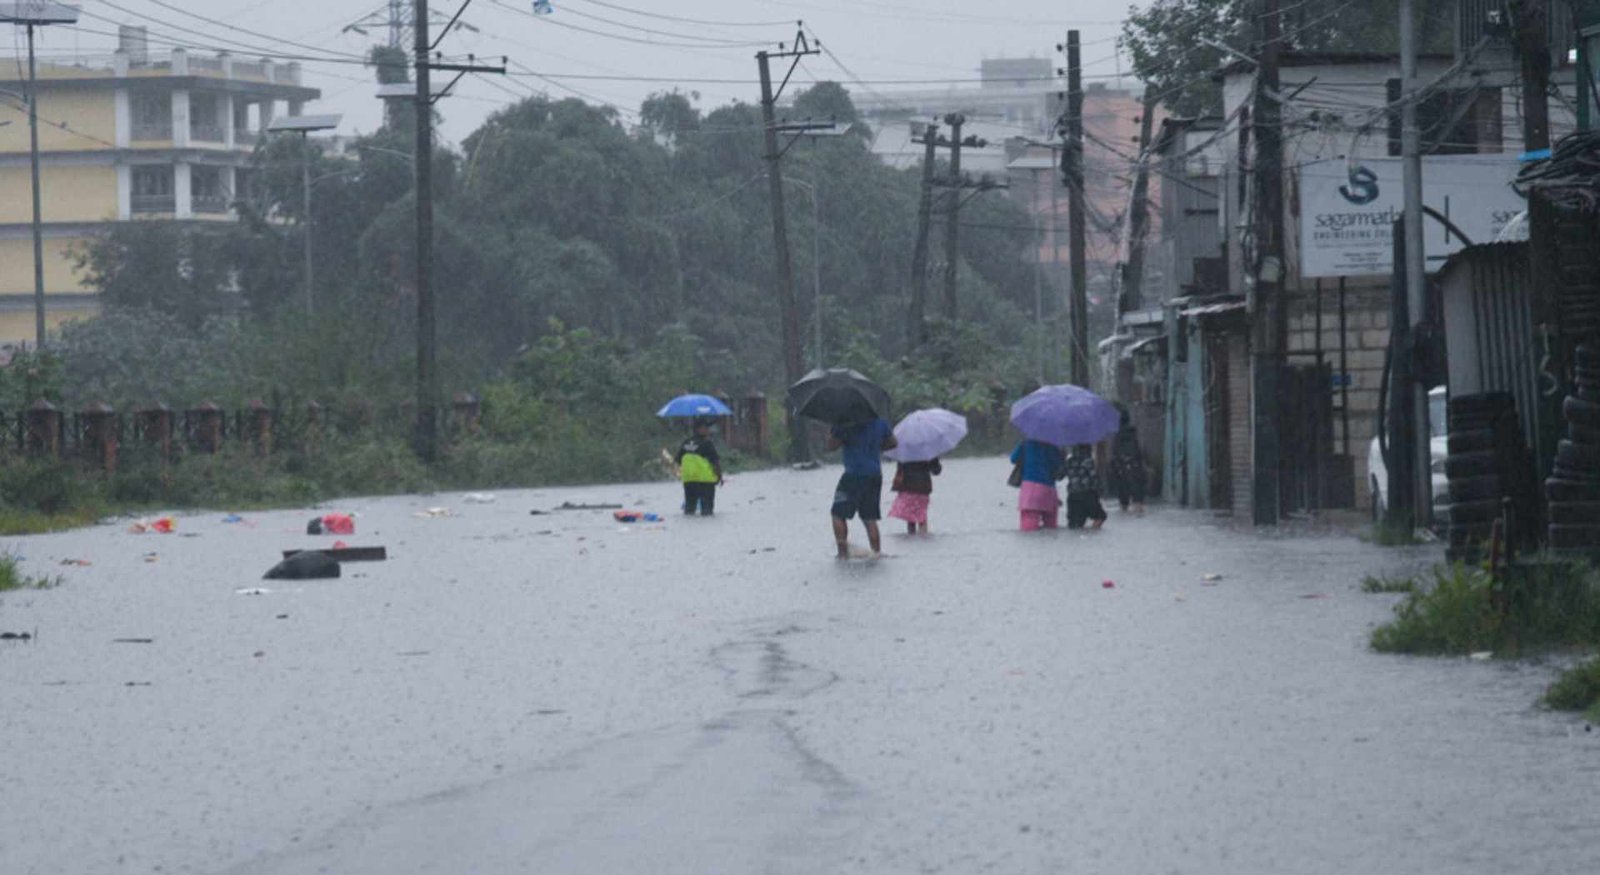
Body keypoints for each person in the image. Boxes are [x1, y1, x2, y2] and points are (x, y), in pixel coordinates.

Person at [827, 417, 898, 558]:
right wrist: (876, 446)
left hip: (853, 474)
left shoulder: (845, 422)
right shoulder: (879, 421)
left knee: (838, 514)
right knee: (869, 517)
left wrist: (833, 433)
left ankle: (842, 553)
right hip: (874, 475)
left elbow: (831, 446)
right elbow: (893, 442)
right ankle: (876, 553)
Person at [1011, 438, 1065, 531]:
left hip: (1030, 490)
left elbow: (1013, 459)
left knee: (1028, 529)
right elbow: (1058, 465)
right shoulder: (1052, 445)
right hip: (1048, 489)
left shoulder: (1026, 443)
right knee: (1050, 528)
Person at [675, 418, 723, 516]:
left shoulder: (686, 442)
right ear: (698, 429)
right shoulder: (707, 443)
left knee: (689, 509)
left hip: (689, 481)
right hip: (705, 481)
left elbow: (678, 460)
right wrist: (719, 476)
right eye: (705, 427)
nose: (708, 430)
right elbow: (715, 462)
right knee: (707, 511)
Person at [888, 457, 942, 534]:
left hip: (907, 487)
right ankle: (923, 537)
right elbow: (936, 471)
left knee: (910, 518)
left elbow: (900, 468)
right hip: (923, 487)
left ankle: (911, 537)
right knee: (922, 517)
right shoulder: (927, 452)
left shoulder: (904, 453)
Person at [1109, 407, 1147, 514]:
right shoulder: (1133, 433)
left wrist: (1116, 463)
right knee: (1137, 491)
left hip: (1121, 468)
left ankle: (1125, 508)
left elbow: (1115, 451)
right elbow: (1138, 451)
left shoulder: (1117, 434)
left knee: (1123, 492)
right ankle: (1138, 508)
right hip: (1135, 466)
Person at [1064, 444, 1107, 530]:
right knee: (1100, 516)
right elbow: (1093, 478)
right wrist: (1100, 490)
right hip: (1087, 494)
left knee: (1075, 524)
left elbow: (1060, 475)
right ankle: (1093, 531)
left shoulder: (1069, 461)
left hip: (1072, 496)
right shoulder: (1088, 461)